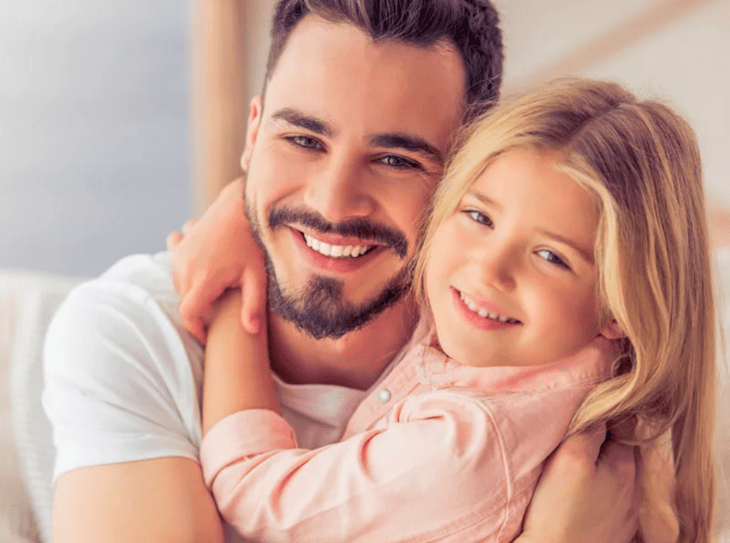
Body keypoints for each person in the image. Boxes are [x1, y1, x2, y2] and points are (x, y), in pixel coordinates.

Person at [43, 1, 639, 542]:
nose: (332, 205)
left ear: (468, 172)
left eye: (394, 159)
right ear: (254, 135)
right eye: (302, 139)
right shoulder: (133, 333)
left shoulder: (519, 337)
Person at [197, 78, 716, 543]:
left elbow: (251, 491)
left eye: (551, 257)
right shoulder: (537, 350)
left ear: (620, 307)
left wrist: (234, 287)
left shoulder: (471, 445)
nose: (489, 269)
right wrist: (238, 201)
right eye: (478, 216)